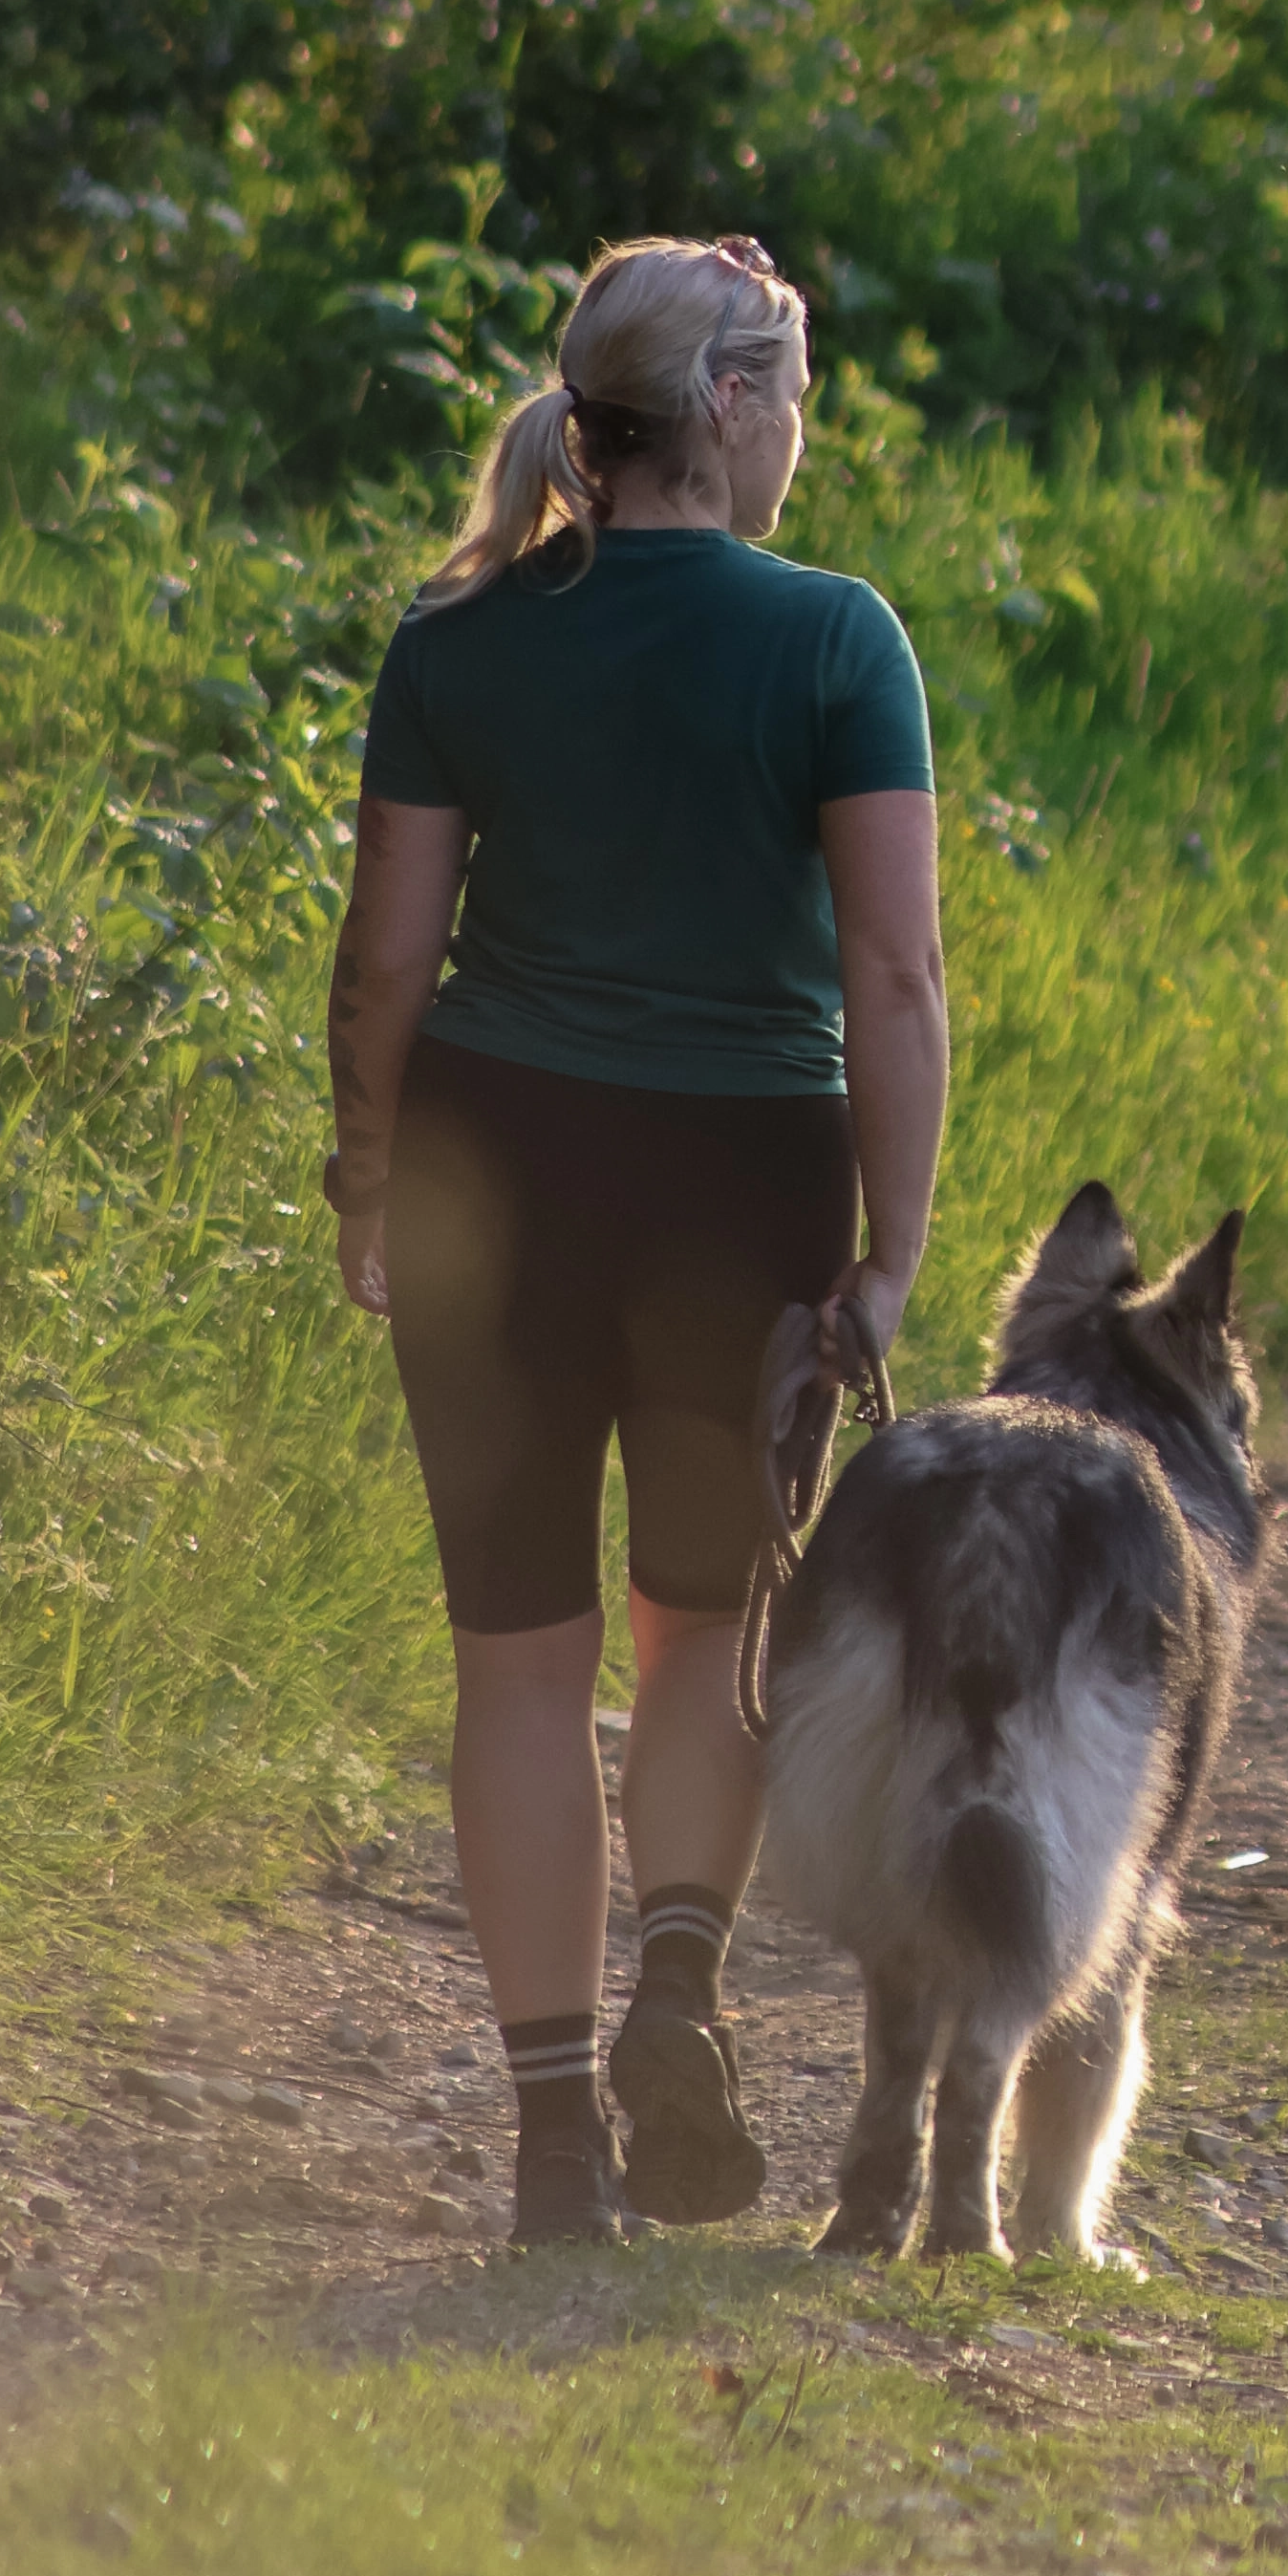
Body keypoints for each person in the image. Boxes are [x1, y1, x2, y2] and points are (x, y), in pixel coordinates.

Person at [320, 232, 950, 2247]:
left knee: (517, 1655)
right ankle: (673, 1986)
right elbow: (894, 972)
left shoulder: (463, 639)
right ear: (737, 409)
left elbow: (387, 959)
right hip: (737, 1182)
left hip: (493, 1168)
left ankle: (545, 2147)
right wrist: (888, 1253)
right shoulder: (838, 637)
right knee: (701, 1622)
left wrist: (362, 1175)